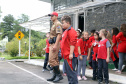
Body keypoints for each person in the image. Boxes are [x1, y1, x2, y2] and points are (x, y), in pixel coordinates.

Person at [61, 15, 78, 84]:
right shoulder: (65, 31)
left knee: (71, 72)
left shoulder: (72, 31)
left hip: (70, 55)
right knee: (68, 72)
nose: (62, 24)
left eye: (63, 23)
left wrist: (71, 53)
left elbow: (73, 43)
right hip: (66, 55)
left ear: (68, 23)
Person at [47, 12, 63, 82]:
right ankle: (55, 75)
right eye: (50, 16)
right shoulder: (54, 24)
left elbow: (59, 35)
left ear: (56, 16)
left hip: (55, 44)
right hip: (52, 43)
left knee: (51, 60)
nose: (51, 17)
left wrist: (56, 45)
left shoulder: (58, 24)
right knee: (55, 60)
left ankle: (59, 75)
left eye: (52, 16)